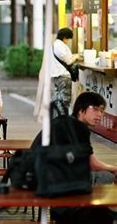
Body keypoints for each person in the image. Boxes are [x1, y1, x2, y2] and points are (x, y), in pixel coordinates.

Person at [32, 92, 116, 224]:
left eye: (101, 111)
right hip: (50, 180)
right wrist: (114, 169)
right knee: (107, 176)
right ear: (81, 109)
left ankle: (83, 210)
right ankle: (84, 209)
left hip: (37, 177)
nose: (99, 115)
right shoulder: (78, 127)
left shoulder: (64, 121)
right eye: (95, 109)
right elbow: (93, 164)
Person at [51, 28, 80, 115]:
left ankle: (58, 119)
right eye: (68, 39)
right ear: (64, 37)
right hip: (63, 76)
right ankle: (63, 121)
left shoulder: (55, 44)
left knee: (59, 100)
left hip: (57, 75)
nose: (68, 41)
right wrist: (76, 57)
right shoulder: (60, 46)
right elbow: (68, 61)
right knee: (64, 100)